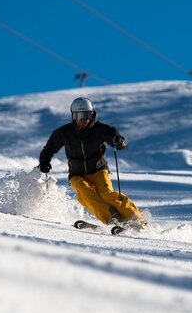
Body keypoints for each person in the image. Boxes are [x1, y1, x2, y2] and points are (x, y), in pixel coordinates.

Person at [39, 97, 144, 226]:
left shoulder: (100, 129)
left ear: (92, 114)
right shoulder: (64, 133)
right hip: (77, 174)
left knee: (106, 194)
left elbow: (121, 144)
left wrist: (117, 140)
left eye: (86, 115)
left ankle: (137, 218)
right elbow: (49, 148)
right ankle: (112, 219)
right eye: (79, 115)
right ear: (73, 116)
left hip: (98, 170)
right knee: (85, 193)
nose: (82, 119)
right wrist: (44, 161)